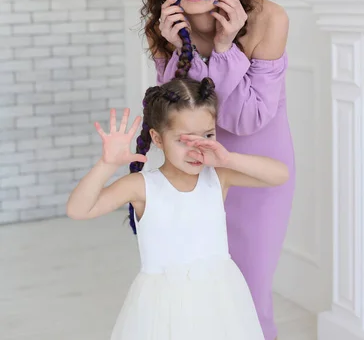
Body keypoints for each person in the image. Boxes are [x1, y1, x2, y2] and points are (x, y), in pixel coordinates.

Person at [139, 0, 295, 340]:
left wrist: (224, 49)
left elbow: (246, 120)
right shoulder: (165, 29)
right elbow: (179, 118)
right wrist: (177, 52)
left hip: (255, 173)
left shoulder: (268, 20)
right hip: (197, 177)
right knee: (198, 297)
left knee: (248, 297)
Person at [66, 77, 289, 340]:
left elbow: (279, 175)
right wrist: (106, 164)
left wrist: (228, 158)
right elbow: (78, 210)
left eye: (207, 135)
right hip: (163, 307)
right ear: (158, 139)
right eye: (185, 140)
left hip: (219, 299)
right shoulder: (141, 186)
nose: (198, 148)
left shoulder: (218, 176)